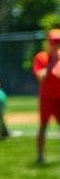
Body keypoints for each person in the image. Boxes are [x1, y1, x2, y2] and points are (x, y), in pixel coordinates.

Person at [32, 29, 60, 163]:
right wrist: (52, 62)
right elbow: (40, 77)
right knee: (43, 126)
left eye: (58, 42)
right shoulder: (41, 57)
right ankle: (40, 156)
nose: (56, 45)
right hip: (46, 98)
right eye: (53, 42)